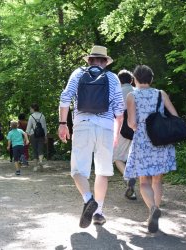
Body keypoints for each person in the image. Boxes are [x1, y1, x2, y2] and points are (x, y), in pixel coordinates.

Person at [58, 45, 125, 228]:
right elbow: (119, 111)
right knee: (103, 171)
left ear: (89, 60)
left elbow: (65, 98)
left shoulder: (78, 74)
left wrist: (63, 124)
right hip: (106, 128)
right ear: (105, 62)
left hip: (83, 125)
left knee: (78, 170)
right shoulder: (112, 78)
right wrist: (116, 133)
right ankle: (98, 213)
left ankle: (88, 199)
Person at [124, 65, 177, 233]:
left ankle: (152, 208)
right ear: (151, 79)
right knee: (157, 180)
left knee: (144, 181)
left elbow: (132, 123)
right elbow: (175, 117)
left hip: (142, 142)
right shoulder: (161, 94)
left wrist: (137, 126)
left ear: (134, 80)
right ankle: (154, 211)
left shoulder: (132, 96)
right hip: (160, 141)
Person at [113, 70, 137, 200]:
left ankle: (128, 179)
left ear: (119, 81)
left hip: (122, 129)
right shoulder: (137, 91)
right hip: (138, 129)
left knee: (117, 157)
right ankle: (132, 191)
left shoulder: (117, 93)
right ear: (132, 80)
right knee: (132, 159)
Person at [26, 103, 47, 171]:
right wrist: (45, 136)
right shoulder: (42, 116)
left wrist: (26, 137)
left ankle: (35, 166)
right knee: (40, 149)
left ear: (33, 109)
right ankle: (40, 161)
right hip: (41, 135)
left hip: (33, 135)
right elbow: (44, 127)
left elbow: (28, 128)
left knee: (35, 150)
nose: (30, 110)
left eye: (30, 109)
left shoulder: (31, 116)